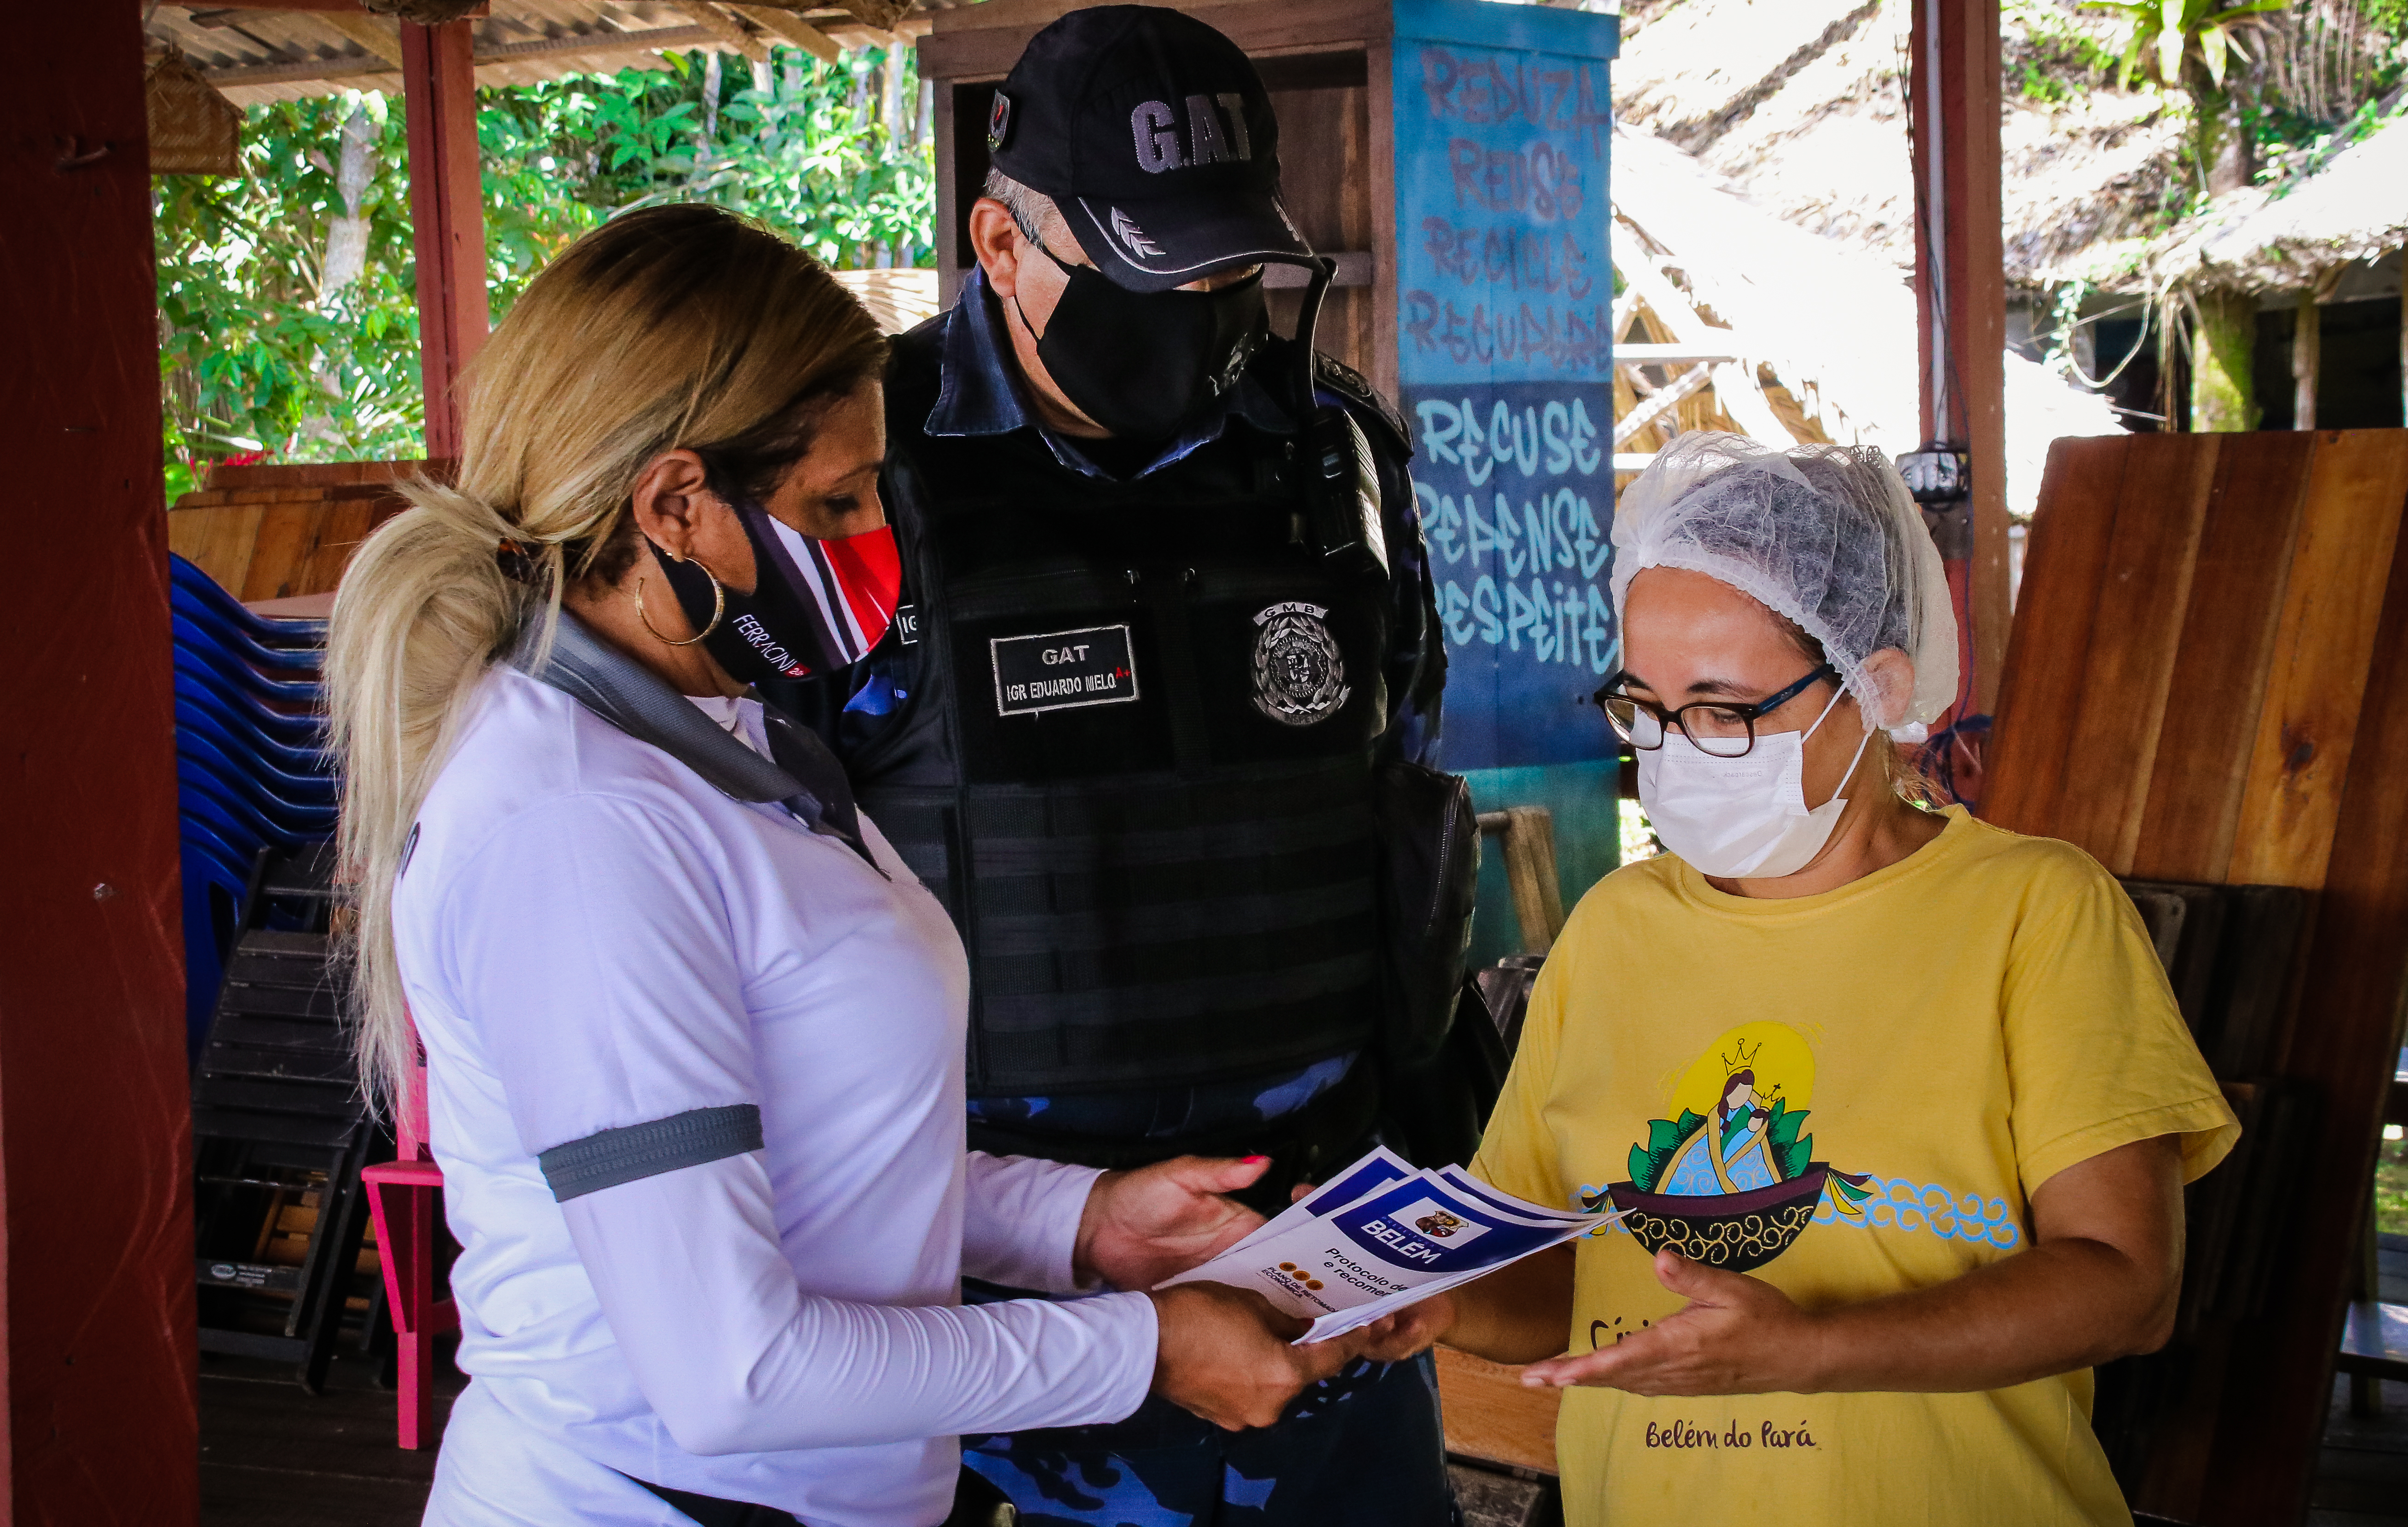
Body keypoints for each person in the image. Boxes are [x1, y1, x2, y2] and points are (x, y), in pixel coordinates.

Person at [323, 203, 1388, 1527]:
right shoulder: (578, 831)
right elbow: (735, 1370)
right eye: (835, 502)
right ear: (675, 505)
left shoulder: (719, 738)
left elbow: (818, 1150)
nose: (878, 533)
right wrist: (1144, 1349)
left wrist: (1082, 1224)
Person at [788, 8, 1467, 1521]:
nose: (1197, 312)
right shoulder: (852, 482)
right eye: (1146, 271)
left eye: (1226, 269)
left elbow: (1397, 780)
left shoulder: (1328, 457)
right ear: (1001, 243)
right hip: (984, 1307)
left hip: (1318, 1270)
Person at [1409, 433, 2241, 1525]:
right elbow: (1555, 1284)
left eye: (1724, 708)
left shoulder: (2033, 912)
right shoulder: (1615, 931)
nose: (1672, 749)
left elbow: (2127, 1283)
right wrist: (1425, 1301)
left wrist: (1812, 1350)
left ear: (1875, 683)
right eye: (1645, 708)